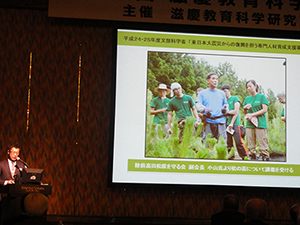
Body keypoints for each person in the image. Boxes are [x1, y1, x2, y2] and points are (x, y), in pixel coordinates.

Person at [196, 72, 228, 142]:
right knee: (207, 143)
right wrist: (204, 109)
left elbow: (226, 105)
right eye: (213, 78)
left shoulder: (222, 93)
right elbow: (198, 105)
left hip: (220, 122)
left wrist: (225, 109)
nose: (215, 80)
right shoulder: (202, 93)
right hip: (208, 121)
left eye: (217, 79)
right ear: (208, 81)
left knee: (222, 143)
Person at [243, 80, 270, 161]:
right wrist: (245, 108)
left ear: (255, 86)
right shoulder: (247, 98)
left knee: (262, 142)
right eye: (247, 87)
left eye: (250, 86)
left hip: (260, 123)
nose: (248, 88)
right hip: (249, 124)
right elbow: (245, 112)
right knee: (250, 142)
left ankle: (265, 157)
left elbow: (264, 110)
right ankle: (252, 156)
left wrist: (252, 114)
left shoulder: (261, 97)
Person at [221, 84, 247, 160]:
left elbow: (236, 112)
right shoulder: (223, 101)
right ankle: (231, 157)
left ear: (229, 91)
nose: (224, 93)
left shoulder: (235, 99)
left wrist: (231, 123)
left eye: (225, 91)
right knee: (228, 143)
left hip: (235, 124)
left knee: (238, 142)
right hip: (226, 124)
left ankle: (244, 157)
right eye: (223, 92)